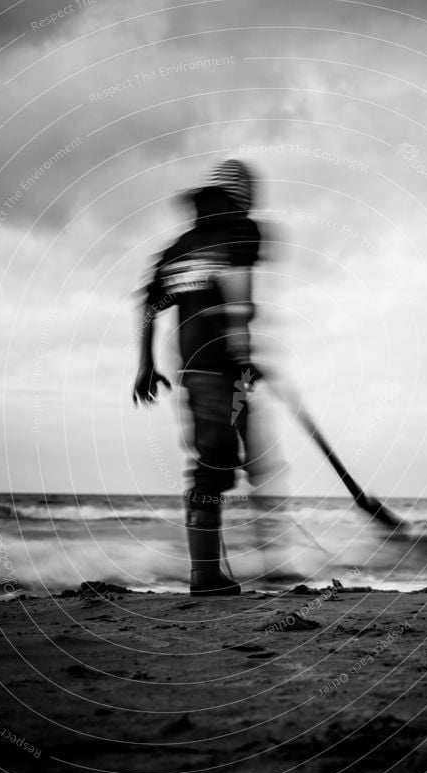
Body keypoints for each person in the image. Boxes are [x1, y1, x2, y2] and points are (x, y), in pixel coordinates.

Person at [132, 158, 271, 597]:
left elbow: (150, 304)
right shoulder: (242, 232)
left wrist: (145, 364)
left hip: (198, 370)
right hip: (218, 371)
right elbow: (237, 295)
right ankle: (206, 575)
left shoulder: (179, 248)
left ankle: (252, 559)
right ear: (243, 197)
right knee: (215, 467)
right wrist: (243, 352)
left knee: (236, 460)